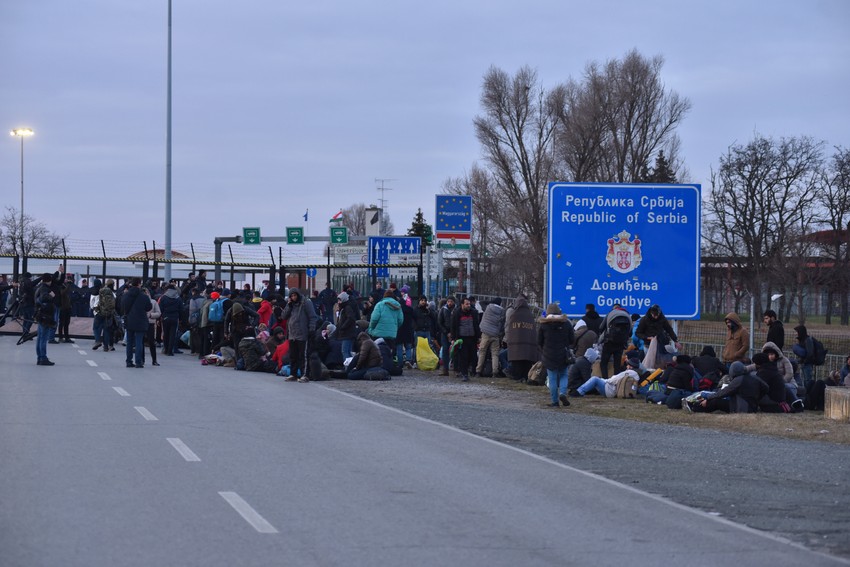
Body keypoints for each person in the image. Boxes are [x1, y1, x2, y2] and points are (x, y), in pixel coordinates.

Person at [537, 302, 575, 407]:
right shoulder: (566, 323)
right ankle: (562, 393)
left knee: (552, 378)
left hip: (549, 355)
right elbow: (572, 339)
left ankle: (554, 402)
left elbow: (539, 341)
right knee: (564, 375)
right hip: (563, 353)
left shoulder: (543, 325)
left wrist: (544, 350)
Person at [692, 361, 767, 413]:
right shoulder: (754, 377)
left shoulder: (738, 380)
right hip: (753, 406)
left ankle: (695, 408)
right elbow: (766, 387)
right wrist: (758, 397)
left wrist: (708, 398)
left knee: (716, 402)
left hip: (741, 408)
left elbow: (723, 393)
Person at [281, 288, 318, 382]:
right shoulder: (291, 305)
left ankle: (304, 374)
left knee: (303, 356)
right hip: (292, 334)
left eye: (295, 295)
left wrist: (311, 329)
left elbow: (312, 317)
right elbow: (283, 316)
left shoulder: (306, 303)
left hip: (302, 333)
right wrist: (288, 305)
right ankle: (293, 374)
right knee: (293, 355)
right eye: (292, 296)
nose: (293, 298)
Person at [504, 294, 537, 381]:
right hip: (528, 345)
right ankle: (525, 377)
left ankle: (517, 377)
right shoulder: (530, 315)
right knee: (526, 362)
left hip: (516, 345)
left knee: (517, 362)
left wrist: (509, 340)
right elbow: (533, 330)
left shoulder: (514, 314)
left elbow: (509, 328)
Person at [122, 278, 152, 368]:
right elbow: (148, 308)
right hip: (140, 321)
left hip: (130, 320)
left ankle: (129, 361)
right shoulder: (143, 296)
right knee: (139, 342)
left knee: (129, 342)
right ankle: (138, 362)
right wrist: (148, 296)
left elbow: (122, 306)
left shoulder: (126, 295)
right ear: (139, 284)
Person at [574, 358, 640, 397]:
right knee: (597, 380)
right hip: (615, 391)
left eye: (628, 364)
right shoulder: (636, 375)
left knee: (595, 379)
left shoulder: (628, 372)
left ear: (631, 366)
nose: (627, 366)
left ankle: (579, 392)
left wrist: (604, 380)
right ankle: (582, 391)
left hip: (610, 390)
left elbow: (614, 380)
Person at [597, 304, 632, 379]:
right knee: (617, 365)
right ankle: (616, 382)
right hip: (620, 344)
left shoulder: (610, 314)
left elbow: (601, 328)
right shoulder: (627, 315)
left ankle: (605, 381)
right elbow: (630, 332)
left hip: (609, 342)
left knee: (604, 363)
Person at [450, 296, 480, 381]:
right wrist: (453, 338)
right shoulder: (456, 313)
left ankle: (470, 370)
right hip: (461, 339)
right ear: (462, 304)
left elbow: (476, 325)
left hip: (472, 338)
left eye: (469, 304)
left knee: (473, 356)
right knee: (463, 357)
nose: (468, 305)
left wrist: (478, 336)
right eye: (466, 304)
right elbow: (453, 326)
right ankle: (464, 374)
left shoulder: (473, 312)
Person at [476, 297, 505, 377]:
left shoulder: (488, 307)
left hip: (485, 333)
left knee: (482, 352)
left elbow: (481, 302)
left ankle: (478, 371)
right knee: (495, 354)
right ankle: (495, 372)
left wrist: (491, 302)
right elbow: (502, 324)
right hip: (495, 334)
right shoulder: (502, 311)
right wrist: (499, 333)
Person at [367, 290, 403, 355]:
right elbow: (400, 320)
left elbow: (374, 319)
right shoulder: (398, 306)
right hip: (391, 335)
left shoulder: (379, 304)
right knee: (389, 353)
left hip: (378, 334)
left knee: (378, 353)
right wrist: (394, 327)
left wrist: (371, 328)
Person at [34, 272, 58, 366]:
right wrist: (51, 295)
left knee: (40, 337)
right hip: (45, 316)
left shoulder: (38, 287)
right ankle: (43, 358)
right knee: (43, 338)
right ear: (49, 280)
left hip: (40, 315)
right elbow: (44, 298)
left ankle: (39, 357)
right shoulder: (45, 289)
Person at [158, 284, 183, 356]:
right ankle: (170, 351)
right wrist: (180, 319)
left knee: (166, 334)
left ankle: (165, 349)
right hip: (175, 318)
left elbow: (160, 309)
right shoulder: (178, 298)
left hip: (165, 318)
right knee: (172, 335)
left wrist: (159, 318)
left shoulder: (163, 297)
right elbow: (181, 310)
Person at [94, 279, 117, 352]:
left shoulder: (101, 290)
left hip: (100, 312)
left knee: (96, 327)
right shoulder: (112, 293)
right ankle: (106, 346)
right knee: (106, 330)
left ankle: (97, 341)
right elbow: (114, 303)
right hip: (109, 314)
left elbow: (98, 301)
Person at [335, 291, 359, 360]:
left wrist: (342, 327)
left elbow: (350, 318)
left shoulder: (346, 308)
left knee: (345, 351)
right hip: (349, 333)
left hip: (347, 333)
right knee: (348, 351)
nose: (338, 302)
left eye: (339, 300)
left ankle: (347, 367)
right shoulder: (344, 308)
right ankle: (349, 367)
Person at [437, 296, 456, 376]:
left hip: (455, 334)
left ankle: (456, 368)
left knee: (456, 351)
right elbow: (440, 322)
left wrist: (453, 333)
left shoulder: (456, 310)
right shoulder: (443, 310)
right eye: (448, 301)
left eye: (451, 301)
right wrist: (446, 332)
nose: (450, 303)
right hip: (445, 334)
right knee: (445, 350)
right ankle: (445, 369)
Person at [144, 287, 161, 366]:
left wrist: (151, 315)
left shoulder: (153, 302)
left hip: (151, 323)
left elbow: (158, 313)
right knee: (141, 342)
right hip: (142, 323)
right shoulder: (140, 302)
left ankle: (154, 360)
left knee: (151, 342)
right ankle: (142, 359)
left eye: (147, 292)